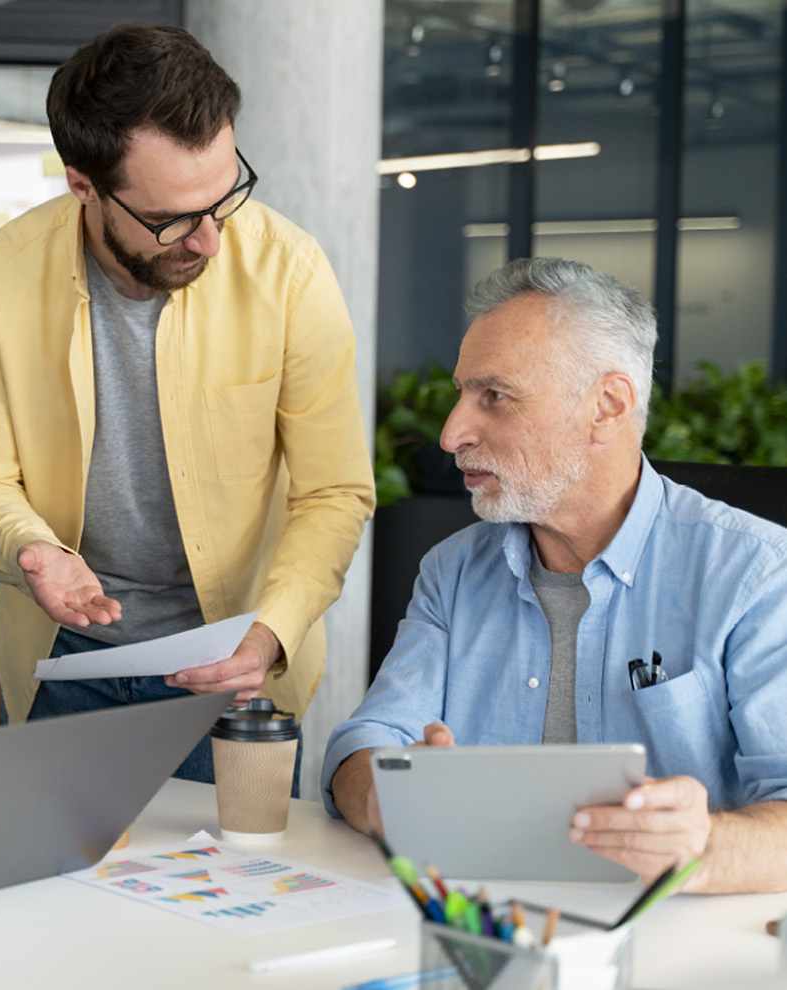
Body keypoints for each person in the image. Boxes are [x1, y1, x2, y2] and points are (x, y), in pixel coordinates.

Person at [0, 24, 374, 784]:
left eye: (225, 197)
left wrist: (272, 633)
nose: (210, 241)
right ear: (85, 187)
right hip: (64, 662)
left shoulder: (292, 271)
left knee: (233, 893)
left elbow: (334, 492)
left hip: (238, 657)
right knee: (61, 897)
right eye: (173, 218)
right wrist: (31, 550)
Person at [324, 257, 787, 893]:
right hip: (482, 929)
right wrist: (389, 794)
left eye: (495, 396)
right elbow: (363, 744)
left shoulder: (757, 573)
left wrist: (701, 846)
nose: (451, 432)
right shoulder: (453, 571)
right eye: (461, 394)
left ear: (608, 405)